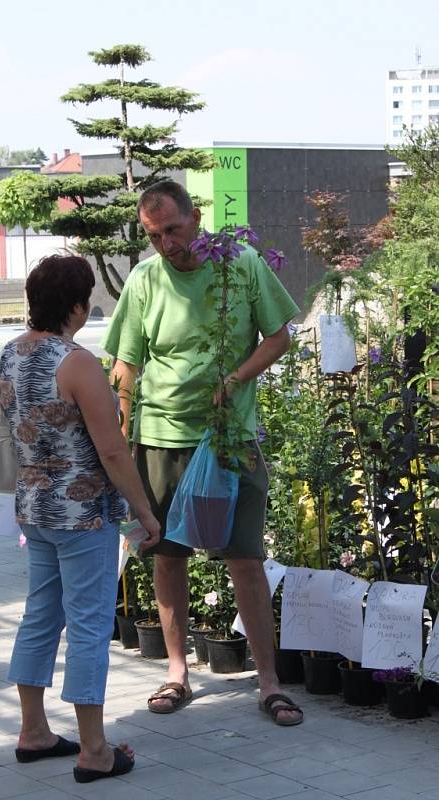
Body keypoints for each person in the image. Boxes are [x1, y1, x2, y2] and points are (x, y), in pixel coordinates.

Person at [102, 181, 303, 726]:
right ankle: (176, 671)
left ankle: (268, 682)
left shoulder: (240, 264)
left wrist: (237, 378)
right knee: (166, 555)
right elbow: (125, 363)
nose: (166, 244)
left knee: (245, 558)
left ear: (196, 217)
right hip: (162, 437)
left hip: (229, 439)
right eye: (154, 235)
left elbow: (280, 336)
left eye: (172, 229)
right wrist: (120, 433)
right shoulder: (145, 280)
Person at [0, 254, 160, 783]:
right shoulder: (76, 362)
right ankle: (95, 750)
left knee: (39, 617)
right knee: (89, 626)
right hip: (84, 515)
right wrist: (144, 512)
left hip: (34, 509)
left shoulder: (9, 354)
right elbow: (114, 452)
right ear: (77, 306)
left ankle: (33, 731)